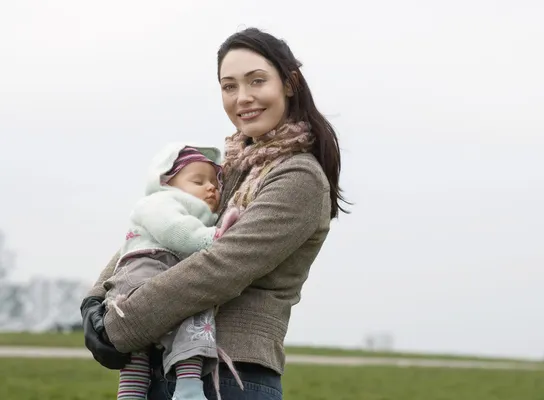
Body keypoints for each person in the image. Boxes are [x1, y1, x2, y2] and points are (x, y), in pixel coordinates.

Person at [81, 27, 349, 400]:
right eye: (229, 86)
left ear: (289, 84)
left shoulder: (298, 176)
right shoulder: (230, 169)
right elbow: (157, 225)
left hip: (230, 377)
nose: (243, 98)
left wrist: (122, 324)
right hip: (168, 366)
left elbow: (221, 266)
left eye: (257, 81)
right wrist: (94, 300)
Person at [101, 143, 242, 400]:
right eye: (198, 180)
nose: (211, 187)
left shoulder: (201, 214)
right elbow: (176, 232)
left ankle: (179, 388)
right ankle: (178, 388)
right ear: (165, 182)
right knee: (172, 319)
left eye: (214, 182)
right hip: (146, 266)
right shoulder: (158, 202)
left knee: (167, 330)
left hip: (165, 267)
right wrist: (214, 237)